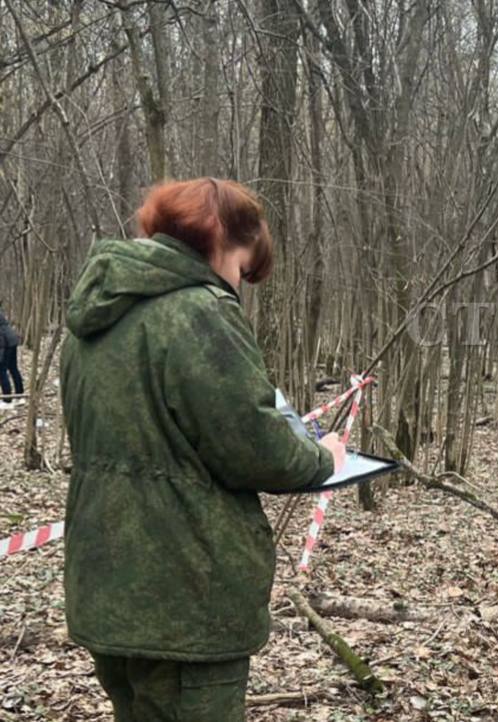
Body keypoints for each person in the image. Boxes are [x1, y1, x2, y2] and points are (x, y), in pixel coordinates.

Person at [60, 178, 348, 722]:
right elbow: (255, 449)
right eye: (242, 267)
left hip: (105, 585)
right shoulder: (199, 313)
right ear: (219, 238)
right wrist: (323, 457)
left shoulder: (92, 319)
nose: (239, 284)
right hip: (185, 597)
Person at [0, 302, 23, 407]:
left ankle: (7, 399)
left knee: (1, 370)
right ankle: (20, 395)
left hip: (6, 343)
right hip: (12, 340)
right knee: (13, 368)